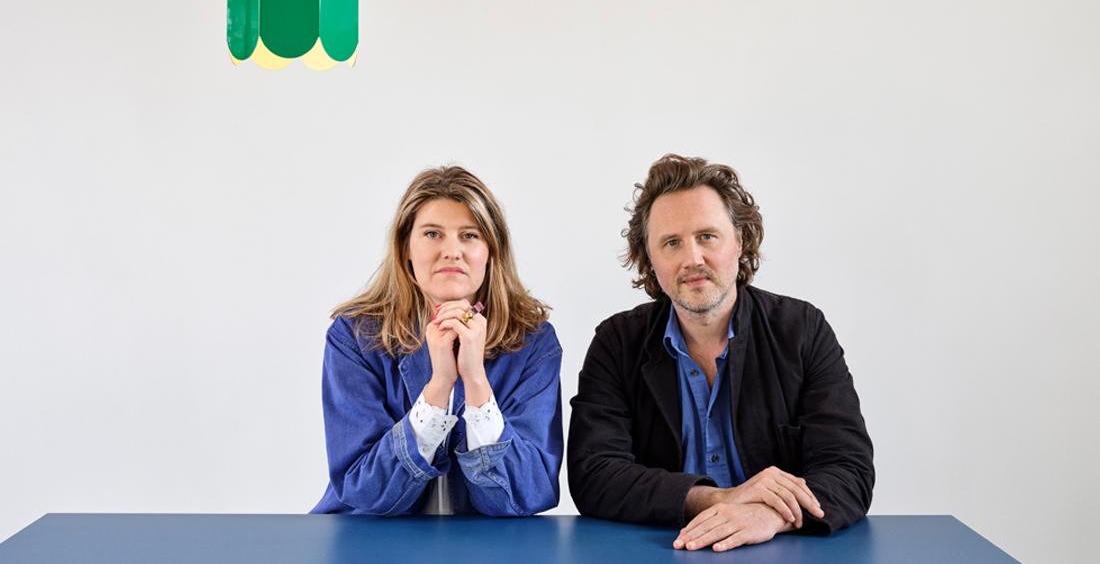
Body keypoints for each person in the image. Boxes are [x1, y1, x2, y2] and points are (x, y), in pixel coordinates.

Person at [568, 154, 873, 551]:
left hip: (780, 551)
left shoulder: (802, 331)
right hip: (663, 550)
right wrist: (719, 498)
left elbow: (848, 469)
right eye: (672, 242)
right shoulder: (617, 343)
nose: (692, 258)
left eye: (707, 236)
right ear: (650, 258)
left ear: (740, 241)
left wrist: (771, 516)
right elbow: (594, 474)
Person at [312, 166, 562, 517]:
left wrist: (476, 382)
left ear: (491, 250)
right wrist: (439, 386)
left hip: (485, 543)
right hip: (371, 538)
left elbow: (529, 492)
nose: (452, 251)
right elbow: (364, 490)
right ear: (405, 248)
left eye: (469, 235)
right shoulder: (355, 336)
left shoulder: (533, 342)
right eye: (432, 234)